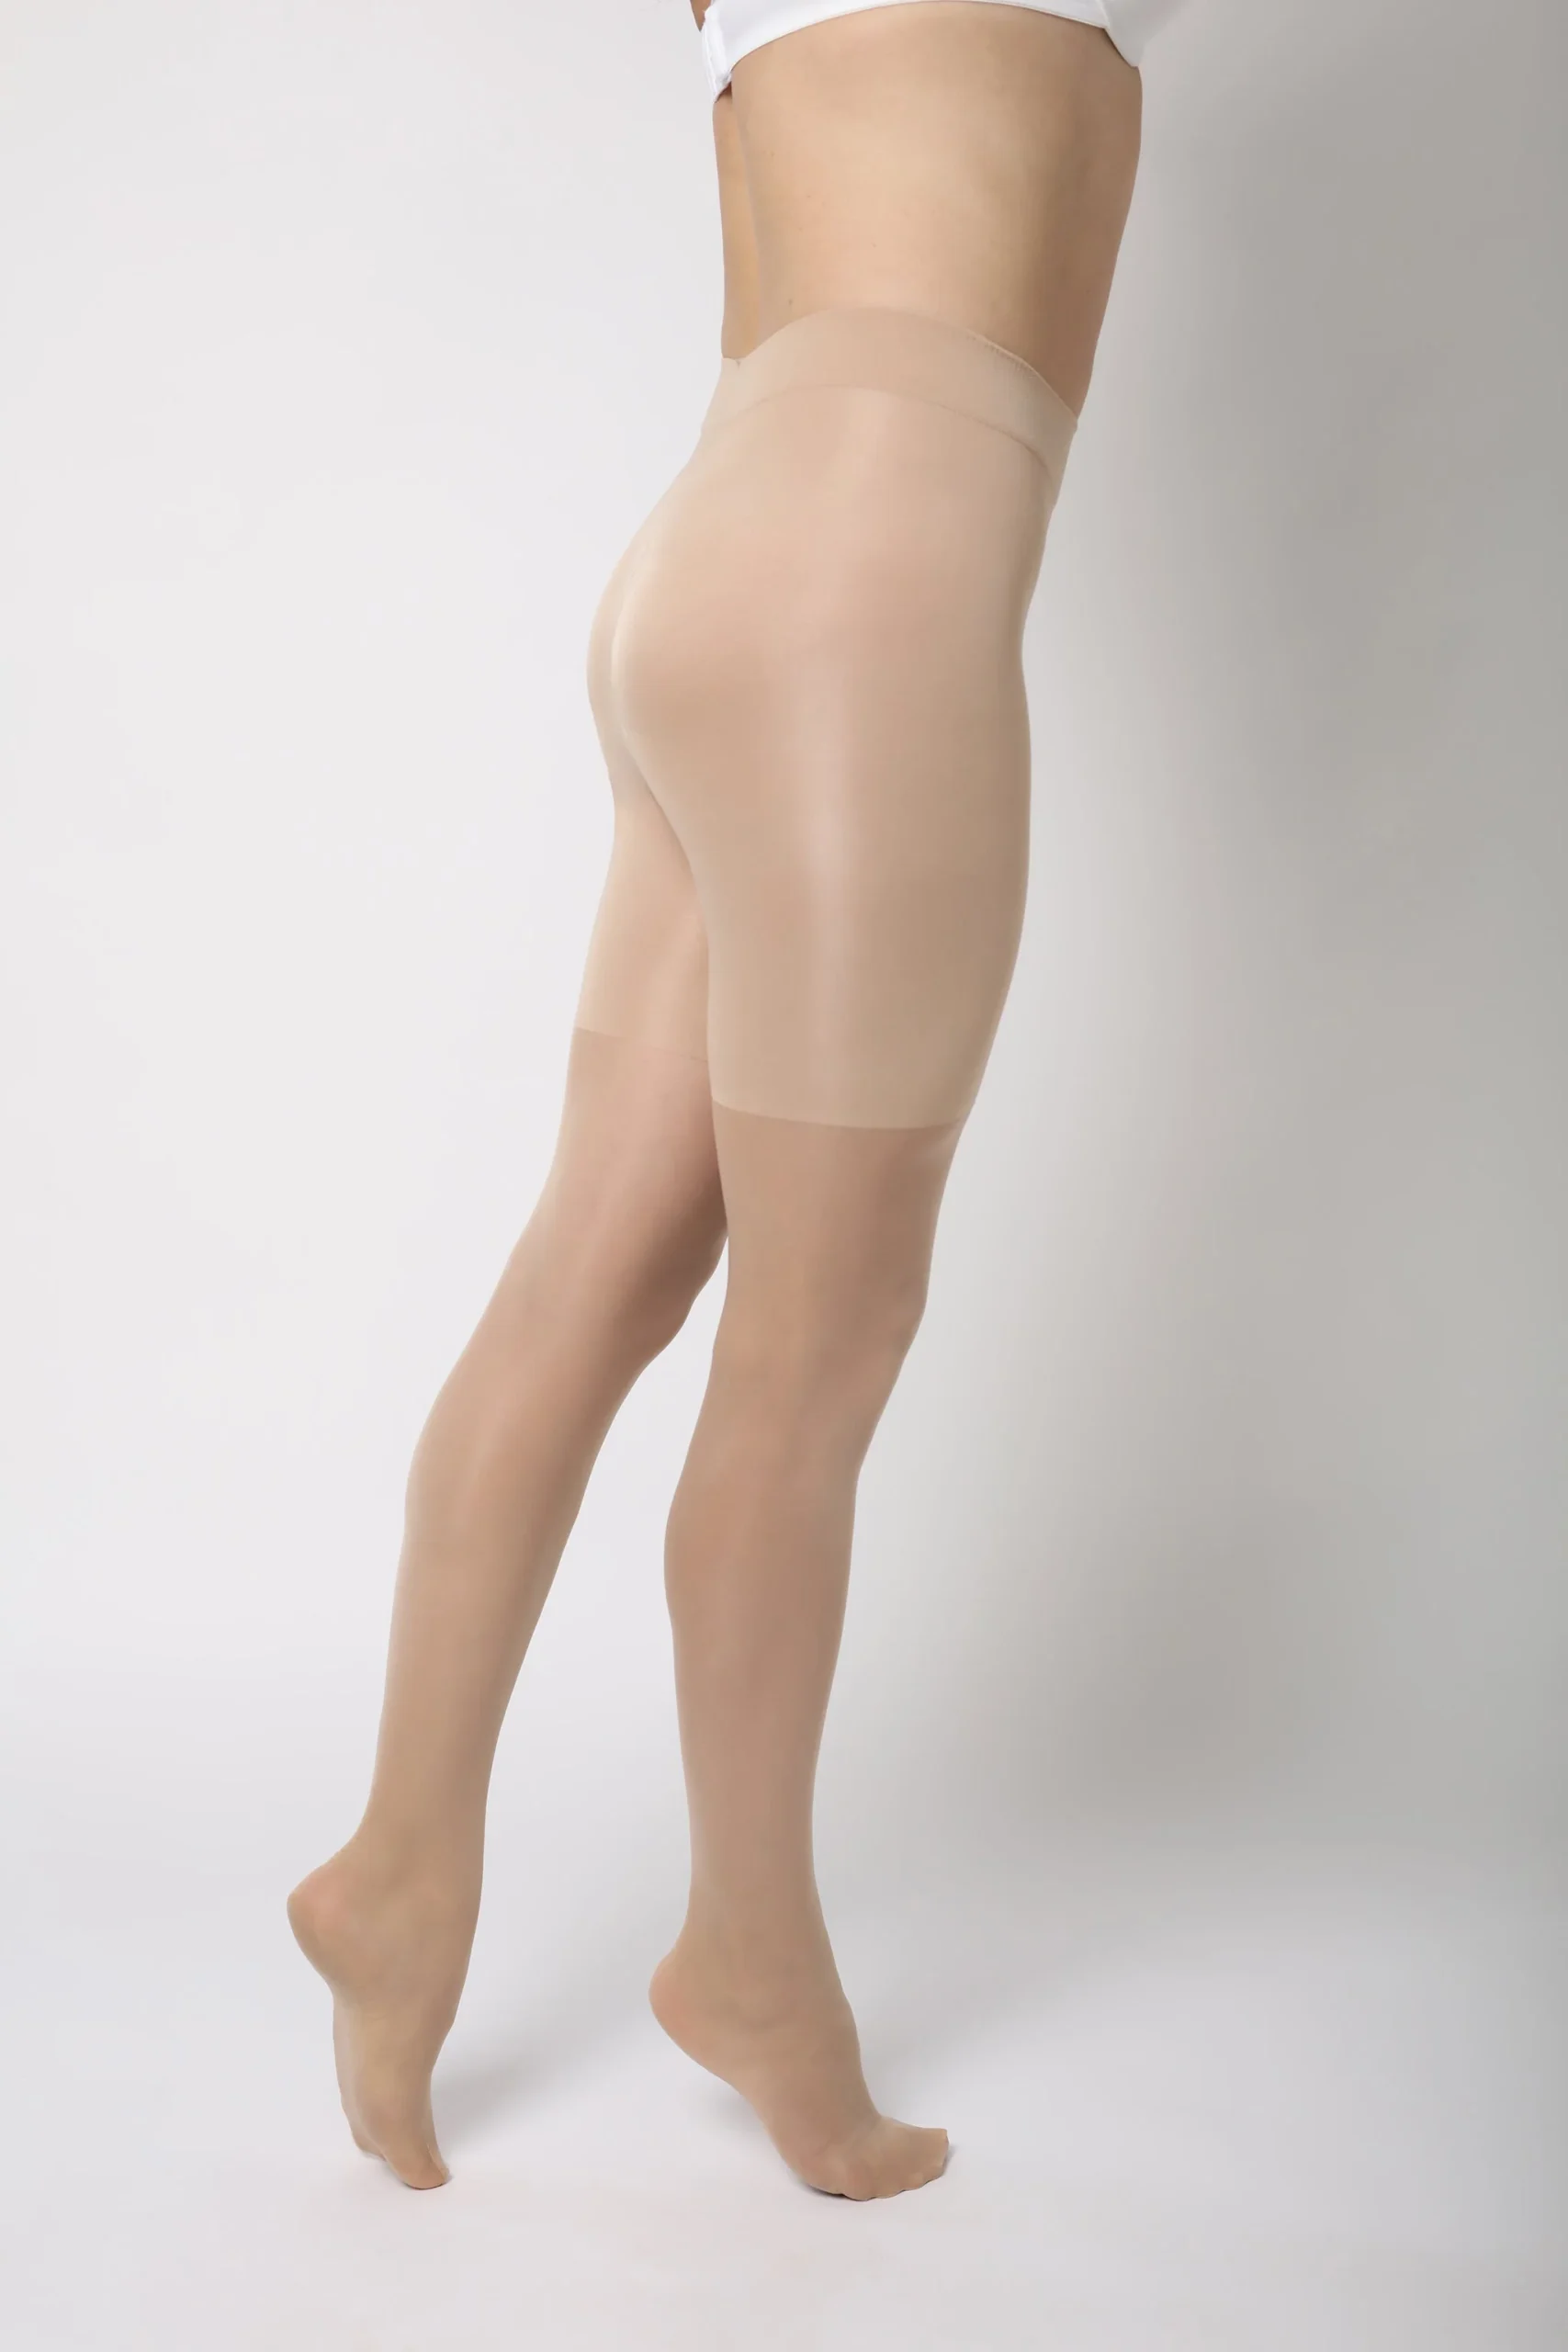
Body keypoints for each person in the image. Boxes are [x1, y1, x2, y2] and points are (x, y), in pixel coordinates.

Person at [289, 0, 1157, 2202]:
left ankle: (398, 1867)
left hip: (709, 543)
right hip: (870, 584)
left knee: (592, 1265)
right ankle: (752, 1958)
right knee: (816, 1344)